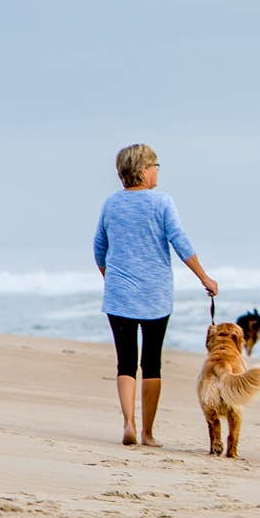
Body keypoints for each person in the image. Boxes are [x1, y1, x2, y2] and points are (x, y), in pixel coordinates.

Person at [92, 143, 219, 447]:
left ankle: (128, 423)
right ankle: (147, 432)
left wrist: (113, 280)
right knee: (151, 362)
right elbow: (180, 242)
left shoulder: (112, 204)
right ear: (144, 170)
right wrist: (205, 277)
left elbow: (99, 248)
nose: (157, 171)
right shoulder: (162, 202)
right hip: (155, 294)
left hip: (119, 295)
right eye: (155, 165)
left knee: (125, 362)